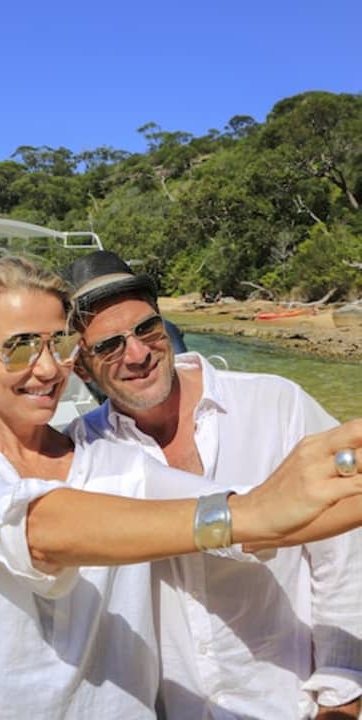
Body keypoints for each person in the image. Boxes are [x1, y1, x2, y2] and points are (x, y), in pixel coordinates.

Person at [0, 255, 362, 720]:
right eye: (19, 348)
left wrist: (317, 492)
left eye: (58, 345)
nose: (46, 369)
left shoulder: (112, 460)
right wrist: (252, 513)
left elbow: (261, 516)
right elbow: (38, 530)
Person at [63, 250, 362, 719]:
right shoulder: (80, 453)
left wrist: (341, 694)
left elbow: (345, 557)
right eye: (109, 347)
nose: (137, 354)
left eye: (146, 329)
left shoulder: (275, 403)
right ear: (81, 368)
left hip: (292, 704)